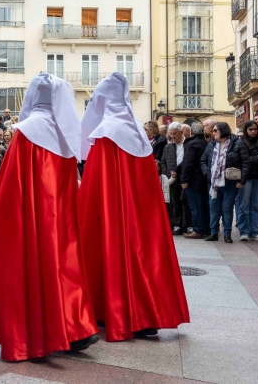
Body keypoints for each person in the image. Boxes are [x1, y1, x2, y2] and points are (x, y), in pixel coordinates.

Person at [0, 73, 99, 361]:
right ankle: (76, 327)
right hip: (60, 222)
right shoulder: (66, 137)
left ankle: (41, 333)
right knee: (64, 268)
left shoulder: (26, 131)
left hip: (32, 218)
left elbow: (9, 184)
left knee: (32, 270)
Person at [78, 72, 189, 342]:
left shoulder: (105, 133)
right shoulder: (139, 132)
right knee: (141, 254)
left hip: (109, 214)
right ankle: (145, 315)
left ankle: (108, 310)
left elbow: (96, 185)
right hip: (140, 216)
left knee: (106, 250)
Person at [201, 122, 250, 243]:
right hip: (213, 182)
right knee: (214, 208)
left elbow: (246, 162)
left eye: (216, 130)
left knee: (227, 208)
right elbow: (203, 160)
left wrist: (242, 180)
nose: (213, 133)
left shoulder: (237, 143)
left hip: (230, 183)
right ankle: (214, 233)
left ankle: (227, 234)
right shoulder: (211, 144)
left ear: (223, 131)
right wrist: (208, 173)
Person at [237, 120, 258, 242]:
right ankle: (243, 231)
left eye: (255, 129)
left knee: (256, 205)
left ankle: (254, 231)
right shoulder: (240, 143)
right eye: (250, 129)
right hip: (246, 177)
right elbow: (243, 160)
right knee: (244, 205)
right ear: (246, 130)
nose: (253, 132)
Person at [182, 122, 212, 239]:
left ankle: (198, 230)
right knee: (205, 205)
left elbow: (187, 163)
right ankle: (207, 228)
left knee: (195, 206)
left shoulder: (191, 144)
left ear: (191, 132)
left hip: (193, 180)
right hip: (205, 179)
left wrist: (184, 179)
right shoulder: (207, 143)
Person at [161, 122, 190, 235]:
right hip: (172, 179)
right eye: (171, 134)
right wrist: (168, 174)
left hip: (185, 178)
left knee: (186, 202)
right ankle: (177, 224)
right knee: (175, 202)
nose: (172, 136)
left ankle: (188, 224)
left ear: (181, 133)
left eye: (175, 134)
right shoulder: (168, 147)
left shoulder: (188, 145)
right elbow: (163, 161)